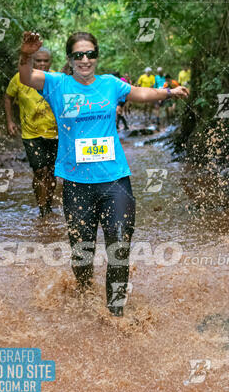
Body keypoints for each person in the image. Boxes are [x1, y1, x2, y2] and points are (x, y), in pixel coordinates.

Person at [18, 31, 188, 316]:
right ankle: (84, 293)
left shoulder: (110, 84)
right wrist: (25, 54)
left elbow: (141, 93)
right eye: (78, 55)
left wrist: (169, 92)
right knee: (82, 253)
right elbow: (25, 77)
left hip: (115, 182)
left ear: (97, 56)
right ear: (70, 59)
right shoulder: (57, 85)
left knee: (119, 249)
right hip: (76, 184)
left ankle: (116, 314)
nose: (85, 60)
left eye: (90, 54)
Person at [4, 47, 58, 217]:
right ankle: (42, 208)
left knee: (50, 171)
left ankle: (48, 203)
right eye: (38, 60)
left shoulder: (57, 78)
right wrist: (10, 121)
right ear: (33, 61)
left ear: (50, 62)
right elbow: (8, 97)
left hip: (55, 133)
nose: (42, 64)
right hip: (31, 134)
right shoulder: (20, 77)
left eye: (45, 61)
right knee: (39, 171)